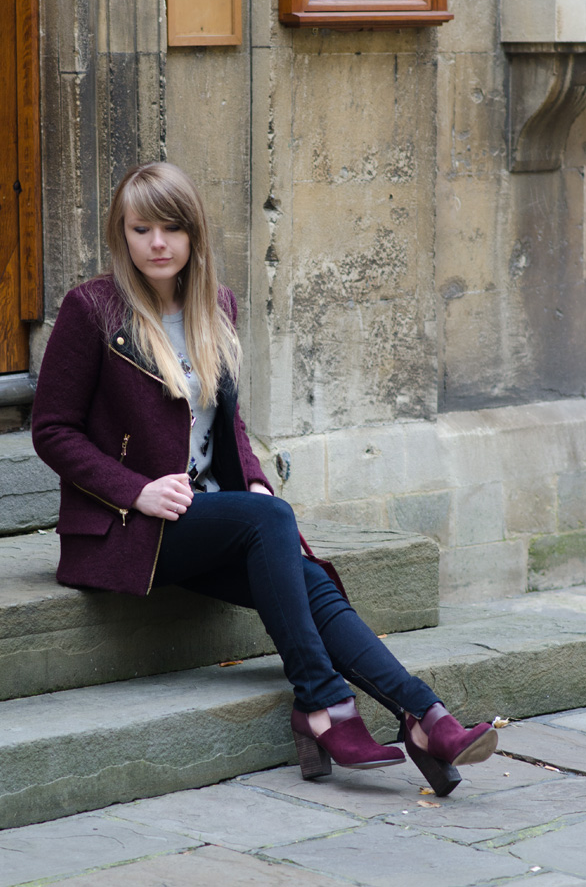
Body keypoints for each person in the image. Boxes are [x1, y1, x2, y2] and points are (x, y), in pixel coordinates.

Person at [32, 162, 497, 797]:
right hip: (125, 529)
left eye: (172, 228)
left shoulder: (215, 305)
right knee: (272, 524)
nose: (158, 244)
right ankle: (324, 701)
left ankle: (425, 717)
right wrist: (134, 490)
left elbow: (228, 424)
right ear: (123, 234)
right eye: (142, 229)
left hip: (203, 515)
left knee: (304, 575)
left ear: (195, 234)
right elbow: (51, 430)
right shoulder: (92, 309)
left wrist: (252, 480)